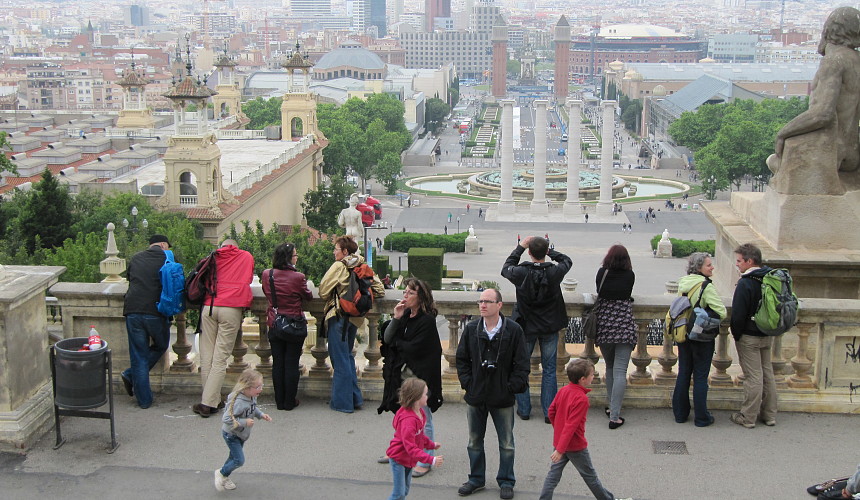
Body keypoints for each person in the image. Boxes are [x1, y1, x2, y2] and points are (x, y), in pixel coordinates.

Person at [455, 289, 530, 499]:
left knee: (506, 443)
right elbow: (461, 360)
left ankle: (506, 480)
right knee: (474, 441)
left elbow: (522, 364)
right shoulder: (471, 329)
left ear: (499, 305)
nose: (482, 305)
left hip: (502, 397)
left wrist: (510, 387)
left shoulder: (514, 331)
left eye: (488, 301)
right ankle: (476, 479)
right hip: (476, 395)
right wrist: (469, 384)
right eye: (480, 301)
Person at [501, 236, 572, 423]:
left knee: (522, 367)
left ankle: (524, 409)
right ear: (545, 252)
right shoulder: (554, 272)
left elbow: (505, 267)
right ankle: (549, 412)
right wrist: (549, 251)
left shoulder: (521, 272)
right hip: (549, 326)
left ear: (529, 252)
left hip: (526, 326)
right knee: (549, 369)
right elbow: (567, 260)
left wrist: (520, 247)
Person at [379, 278, 444, 478]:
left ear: (420, 297)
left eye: (410, 293)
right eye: (405, 291)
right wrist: (396, 318)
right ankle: (400, 451)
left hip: (419, 377)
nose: (405, 296)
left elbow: (417, 349)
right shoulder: (405, 315)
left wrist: (399, 343)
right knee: (402, 416)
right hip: (401, 375)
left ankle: (426, 459)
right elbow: (388, 339)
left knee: (423, 418)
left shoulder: (426, 321)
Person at [539, 359, 628, 500]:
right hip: (575, 446)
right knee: (590, 476)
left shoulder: (563, 390)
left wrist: (559, 435)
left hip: (560, 443)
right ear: (583, 379)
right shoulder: (581, 399)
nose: (594, 377)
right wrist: (562, 448)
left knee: (552, 476)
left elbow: (551, 412)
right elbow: (571, 426)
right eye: (592, 375)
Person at [319, 235, 385, 413]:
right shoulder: (362, 265)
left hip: (339, 316)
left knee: (340, 361)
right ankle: (355, 399)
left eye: (336, 249)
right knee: (347, 357)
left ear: (345, 251)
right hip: (355, 318)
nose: (334, 252)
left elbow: (323, 291)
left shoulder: (339, 266)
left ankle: (343, 403)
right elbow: (380, 290)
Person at [193, 239, 255, 417]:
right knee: (220, 359)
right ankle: (207, 403)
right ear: (236, 246)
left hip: (209, 306)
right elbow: (248, 279)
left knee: (206, 357)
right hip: (231, 307)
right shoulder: (246, 256)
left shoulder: (213, 257)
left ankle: (211, 400)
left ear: (222, 247)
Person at [671, 252, 726, 427]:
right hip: (701, 336)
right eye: (709, 265)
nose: (712, 267)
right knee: (701, 376)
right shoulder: (705, 286)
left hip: (684, 333)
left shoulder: (684, 283)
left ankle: (680, 414)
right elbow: (722, 312)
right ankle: (702, 417)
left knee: (684, 373)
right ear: (699, 268)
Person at [121, 234, 174, 409]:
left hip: (133, 309)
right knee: (160, 345)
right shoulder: (167, 258)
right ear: (163, 244)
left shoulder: (136, 258)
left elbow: (131, 279)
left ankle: (142, 397)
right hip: (156, 310)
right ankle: (132, 379)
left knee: (138, 355)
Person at [730, 243, 778, 429]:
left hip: (749, 336)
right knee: (768, 374)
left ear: (750, 261)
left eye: (740, 261)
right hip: (767, 333)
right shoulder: (771, 278)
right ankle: (769, 415)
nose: (738, 265)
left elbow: (738, 314)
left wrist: (737, 334)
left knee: (753, 377)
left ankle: (748, 416)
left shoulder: (746, 282)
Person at [261, 243, 313, 411]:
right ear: (289, 258)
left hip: (275, 323)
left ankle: (279, 401)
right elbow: (308, 296)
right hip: (293, 324)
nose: (297, 258)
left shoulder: (267, 275)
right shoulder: (298, 277)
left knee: (278, 363)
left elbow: (266, 292)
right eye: (295, 255)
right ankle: (289, 402)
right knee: (291, 363)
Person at [594, 245, 636, 429]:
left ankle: (612, 408)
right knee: (620, 371)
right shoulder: (630, 276)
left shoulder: (602, 273)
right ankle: (615, 416)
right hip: (624, 327)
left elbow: (600, 292)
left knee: (610, 368)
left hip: (605, 327)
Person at [385, 378, 444, 500]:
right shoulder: (409, 421)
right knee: (399, 493)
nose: (428, 396)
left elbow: (420, 436)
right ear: (417, 398)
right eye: (425, 394)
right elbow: (411, 447)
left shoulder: (420, 413)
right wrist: (431, 459)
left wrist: (431, 445)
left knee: (404, 491)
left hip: (407, 458)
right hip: (398, 458)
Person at [214, 369, 272, 492]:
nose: (261, 389)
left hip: (241, 434)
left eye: (262, 385)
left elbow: (253, 409)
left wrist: (261, 415)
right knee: (239, 460)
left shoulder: (251, 396)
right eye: (258, 386)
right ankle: (221, 473)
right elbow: (226, 418)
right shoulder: (239, 402)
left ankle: (225, 477)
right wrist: (244, 422)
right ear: (247, 387)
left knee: (233, 457)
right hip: (231, 434)